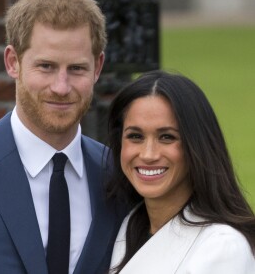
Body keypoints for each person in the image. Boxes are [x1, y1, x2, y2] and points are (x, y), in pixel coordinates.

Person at [0, 0, 127, 274]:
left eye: (76, 69)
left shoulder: (120, 175)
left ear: (98, 68)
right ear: (13, 62)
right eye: (46, 66)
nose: (61, 87)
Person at [106, 70, 255, 273]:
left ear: (197, 146)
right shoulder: (129, 224)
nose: (148, 154)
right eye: (135, 136)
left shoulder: (222, 248)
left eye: (167, 137)